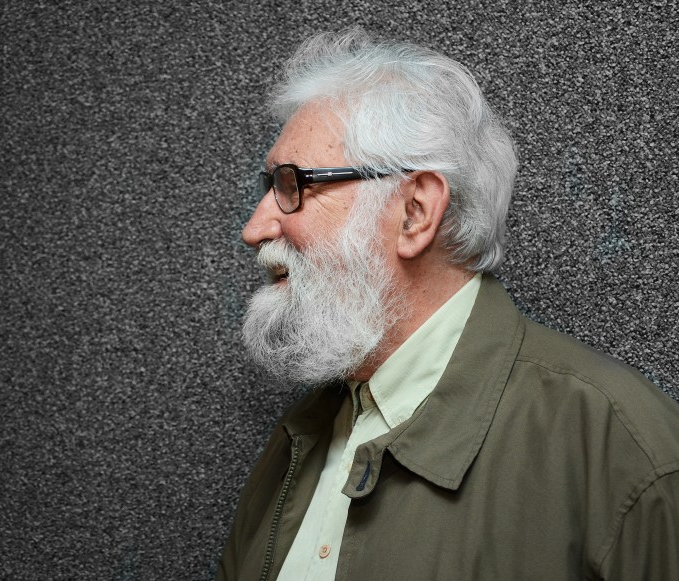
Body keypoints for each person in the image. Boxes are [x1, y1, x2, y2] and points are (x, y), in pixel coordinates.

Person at [218, 29, 679, 581]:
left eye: (291, 184)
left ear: (415, 213)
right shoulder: (302, 433)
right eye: (269, 184)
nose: (254, 228)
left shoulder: (621, 450)